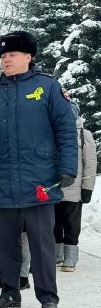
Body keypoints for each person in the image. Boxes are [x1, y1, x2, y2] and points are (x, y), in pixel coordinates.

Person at [0, 30, 78, 308]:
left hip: (40, 177)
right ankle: (9, 292)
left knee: (42, 243)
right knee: (5, 243)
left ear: (28, 57)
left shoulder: (48, 87)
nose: (6, 60)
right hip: (3, 179)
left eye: (12, 55)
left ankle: (48, 297)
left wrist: (67, 168)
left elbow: (65, 131)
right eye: (3, 56)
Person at [54, 99, 97, 271]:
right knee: (53, 223)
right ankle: (56, 255)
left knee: (71, 224)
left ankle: (70, 257)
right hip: (54, 188)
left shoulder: (83, 134)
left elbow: (90, 163)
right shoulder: (53, 131)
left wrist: (87, 188)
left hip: (74, 189)